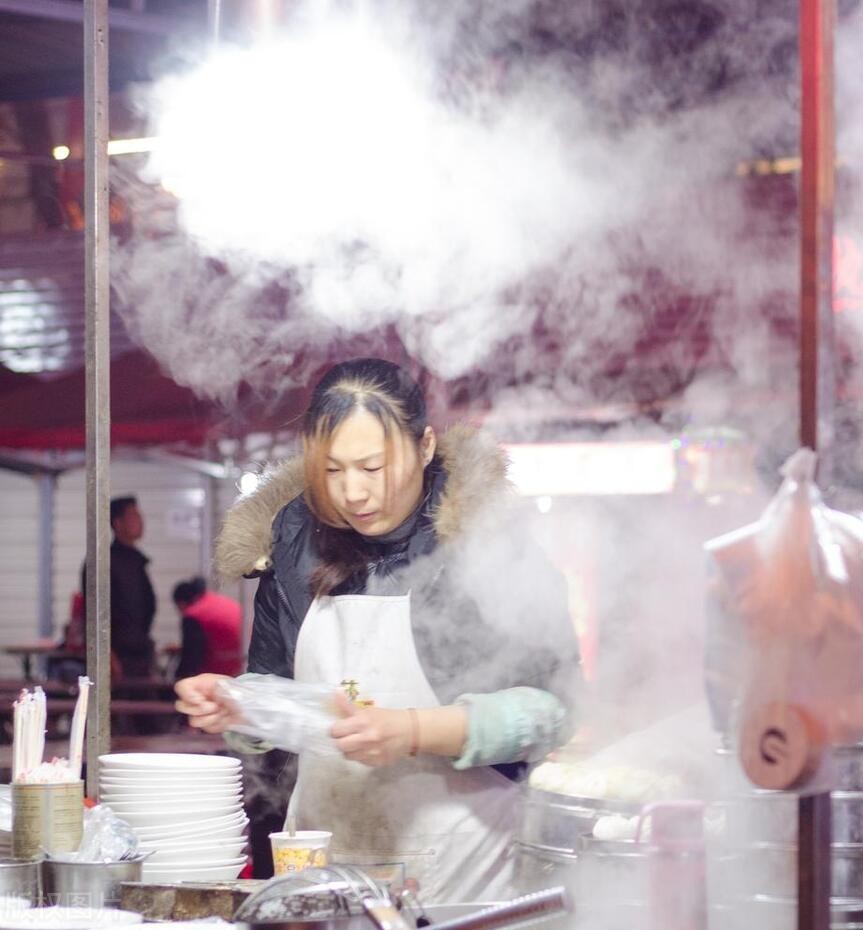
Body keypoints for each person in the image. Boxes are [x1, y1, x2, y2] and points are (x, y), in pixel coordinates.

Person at [174, 358, 580, 901]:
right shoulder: (292, 539)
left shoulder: (485, 543)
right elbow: (279, 689)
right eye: (332, 470)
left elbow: (555, 712)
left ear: (425, 446)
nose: (353, 493)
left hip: (460, 877)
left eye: (372, 467)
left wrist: (413, 731)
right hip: (323, 866)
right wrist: (240, 706)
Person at [81, 496, 157, 679]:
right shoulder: (102, 561)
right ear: (118, 523)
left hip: (140, 652)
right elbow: (93, 612)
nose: (140, 520)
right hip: (117, 656)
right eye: (133, 516)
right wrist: (107, 655)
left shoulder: (137, 560)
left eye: (140, 515)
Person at [172, 577, 244, 680]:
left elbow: (192, 655)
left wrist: (178, 678)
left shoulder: (194, 614)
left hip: (220, 666)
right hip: (241, 659)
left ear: (181, 603)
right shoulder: (214, 600)